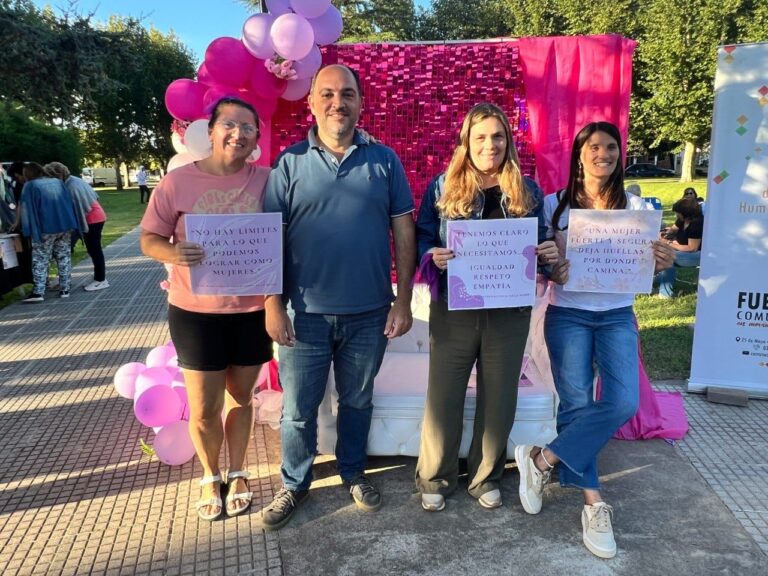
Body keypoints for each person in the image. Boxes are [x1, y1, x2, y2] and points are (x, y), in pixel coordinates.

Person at [261, 64, 416, 530]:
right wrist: (271, 302)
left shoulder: (385, 161)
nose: (337, 103)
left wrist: (403, 298)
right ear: (310, 103)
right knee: (298, 410)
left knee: (357, 402)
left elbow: (404, 230)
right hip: (302, 316)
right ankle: (294, 483)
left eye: (347, 94)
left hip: (370, 313)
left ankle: (352, 472)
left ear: (361, 103)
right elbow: (270, 238)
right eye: (326, 94)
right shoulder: (287, 165)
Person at [513, 122, 675, 559]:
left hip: (617, 314)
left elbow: (647, 268)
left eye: (610, 147)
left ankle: (542, 460)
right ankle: (593, 503)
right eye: (593, 147)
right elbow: (544, 267)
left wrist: (661, 263)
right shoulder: (553, 206)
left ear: (619, 154)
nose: (602, 153)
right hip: (568, 315)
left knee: (623, 402)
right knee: (577, 405)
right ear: (579, 155)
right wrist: (554, 267)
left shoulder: (637, 208)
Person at [413, 103, 559, 512]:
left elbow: (541, 243)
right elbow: (423, 235)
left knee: (499, 396)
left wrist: (545, 252)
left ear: (508, 141)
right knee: (443, 395)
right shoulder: (442, 186)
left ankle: (485, 476)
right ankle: (435, 476)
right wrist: (433, 255)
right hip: (454, 308)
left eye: (497, 136)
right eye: (480, 137)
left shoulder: (527, 191)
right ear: (466, 142)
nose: (489, 145)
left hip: (509, 311)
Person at [140, 97, 273, 521]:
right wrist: (175, 254)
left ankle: (238, 471)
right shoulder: (177, 183)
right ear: (211, 130)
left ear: (257, 137)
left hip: (252, 312)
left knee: (241, 397)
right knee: (203, 408)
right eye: (229, 125)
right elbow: (149, 239)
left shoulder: (269, 181)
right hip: (195, 313)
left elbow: (284, 237)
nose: (238, 133)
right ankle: (209, 475)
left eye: (248, 127)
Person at [18, 162, 80, 302]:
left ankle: (38, 292)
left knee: (40, 258)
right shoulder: (57, 182)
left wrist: (27, 230)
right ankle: (65, 288)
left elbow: (26, 210)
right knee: (64, 257)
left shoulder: (30, 186)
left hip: (45, 228)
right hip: (65, 224)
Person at [44, 162, 110, 291]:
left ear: (58, 174)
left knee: (95, 249)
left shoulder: (71, 186)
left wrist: (74, 228)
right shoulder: (73, 180)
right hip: (95, 216)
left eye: (51, 178)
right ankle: (97, 278)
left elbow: (78, 209)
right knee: (93, 250)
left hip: (92, 219)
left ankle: (101, 279)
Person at [656, 197, 703, 298]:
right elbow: (673, 229)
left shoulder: (697, 223)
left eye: (678, 213)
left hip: (698, 254)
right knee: (658, 252)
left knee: (667, 257)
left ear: (686, 213)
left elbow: (692, 248)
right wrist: (665, 233)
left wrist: (668, 243)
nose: (676, 215)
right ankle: (658, 281)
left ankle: (664, 294)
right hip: (682, 250)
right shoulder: (682, 220)